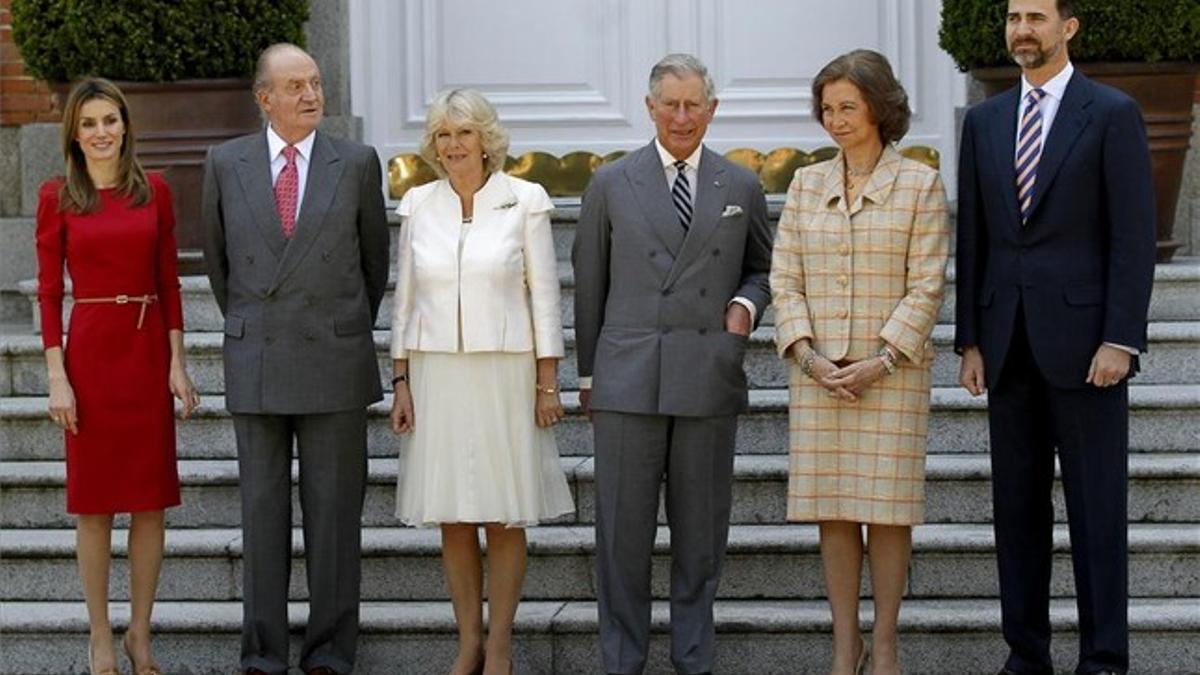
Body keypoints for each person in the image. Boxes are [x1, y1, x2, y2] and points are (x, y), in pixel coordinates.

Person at [956, 1, 1156, 673]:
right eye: (1014, 17)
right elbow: (974, 238)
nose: (1022, 30)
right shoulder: (982, 123)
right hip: (1007, 345)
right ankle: (1026, 654)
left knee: (1097, 512)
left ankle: (1103, 658)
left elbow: (1133, 238)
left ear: (1068, 27)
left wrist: (1121, 339)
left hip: (1088, 350)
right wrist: (970, 340)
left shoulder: (1111, 114)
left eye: (1036, 16)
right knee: (1017, 514)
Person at [573, 53, 772, 675]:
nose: (682, 117)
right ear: (649, 107)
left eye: (694, 105)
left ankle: (694, 662)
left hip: (706, 377)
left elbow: (763, 269)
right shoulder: (610, 182)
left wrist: (744, 307)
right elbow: (588, 285)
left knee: (700, 541)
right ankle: (622, 662)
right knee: (621, 544)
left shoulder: (740, 184)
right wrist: (587, 377)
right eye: (671, 104)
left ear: (712, 110)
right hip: (627, 382)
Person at [201, 43, 389, 675]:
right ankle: (262, 655)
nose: (312, 94)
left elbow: (374, 265)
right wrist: (257, 324)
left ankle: (331, 654)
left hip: (333, 359)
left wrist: (337, 326)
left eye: (315, 82)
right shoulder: (225, 163)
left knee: (335, 520)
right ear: (265, 99)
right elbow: (220, 268)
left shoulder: (357, 162)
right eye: (296, 86)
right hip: (257, 358)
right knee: (261, 516)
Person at [770, 50, 949, 675]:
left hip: (889, 375)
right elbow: (783, 279)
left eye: (848, 106)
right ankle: (846, 644)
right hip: (820, 377)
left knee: (889, 513)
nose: (836, 120)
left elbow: (927, 285)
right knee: (835, 511)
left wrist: (882, 357)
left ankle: (888, 643)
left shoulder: (920, 184)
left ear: (879, 106)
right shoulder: (805, 183)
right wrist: (808, 356)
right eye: (827, 109)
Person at [389, 87, 575, 675]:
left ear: (485, 139)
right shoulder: (418, 204)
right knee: (453, 512)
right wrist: (399, 378)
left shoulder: (524, 199)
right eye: (443, 135)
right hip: (437, 369)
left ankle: (501, 644)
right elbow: (405, 298)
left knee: (503, 511)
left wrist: (549, 381)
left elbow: (545, 295)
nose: (453, 146)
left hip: (506, 369)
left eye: (464, 133)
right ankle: (468, 641)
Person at [36, 77, 200, 675]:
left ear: (126, 125)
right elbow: (51, 293)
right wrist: (57, 376)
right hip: (92, 356)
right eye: (89, 124)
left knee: (150, 503)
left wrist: (178, 363)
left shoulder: (153, 191)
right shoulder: (58, 197)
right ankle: (100, 636)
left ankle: (140, 634)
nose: (102, 132)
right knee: (96, 506)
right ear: (74, 137)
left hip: (146, 352)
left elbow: (170, 282)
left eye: (110, 120)